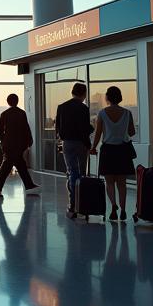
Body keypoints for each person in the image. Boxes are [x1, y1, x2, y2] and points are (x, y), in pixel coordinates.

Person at [90, 86, 136, 222]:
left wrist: (93, 148)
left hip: (108, 150)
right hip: (123, 150)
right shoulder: (127, 113)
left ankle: (114, 206)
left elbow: (98, 134)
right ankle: (123, 209)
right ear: (120, 97)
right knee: (122, 183)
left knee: (109, 182)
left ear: (107, 97)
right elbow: (132, 132)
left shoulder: (102, 113)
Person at [0, 94, 39, 198]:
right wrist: (29, 140)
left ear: (8, 102)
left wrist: (3, 141)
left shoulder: (5, 114)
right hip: (20, 144)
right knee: (20, 164)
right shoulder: (22, 113)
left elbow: (1, 130)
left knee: (7, 165)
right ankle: (29, 185)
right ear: (17, 101)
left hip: (9, 144)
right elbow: (26, 127)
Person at [55, 82, 93, 218]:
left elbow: (57, 127)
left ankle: (72, 206)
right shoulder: (84, 109)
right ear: (84, 94)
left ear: (72, 92)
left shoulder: (62, 107)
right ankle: (81, 204)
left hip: (67, 143)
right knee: (82, 173)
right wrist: (89, 145)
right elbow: (84, 129)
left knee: (71, 172)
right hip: (81, 144)